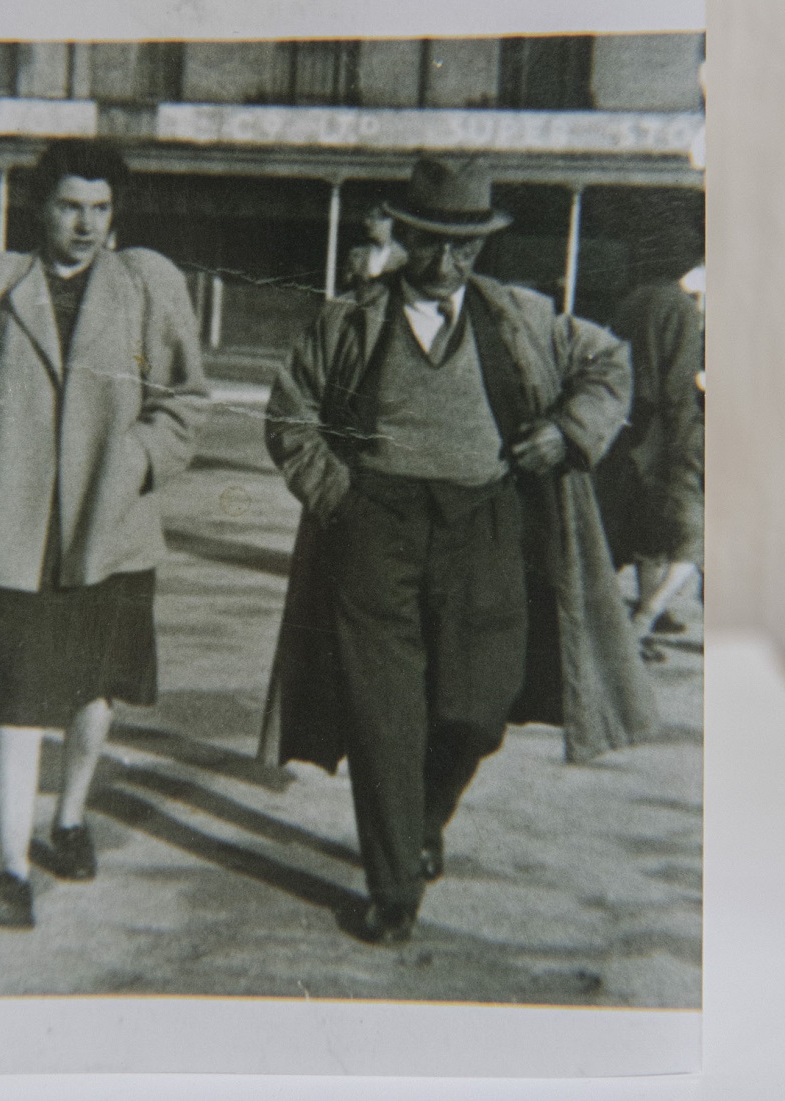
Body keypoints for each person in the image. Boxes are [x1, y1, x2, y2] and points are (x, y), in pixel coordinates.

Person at [262, 158, 653, 945]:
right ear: (403, 236)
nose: (446, 262)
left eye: (464, 246)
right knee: (383, 717)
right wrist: (341, 498)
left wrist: (567, 431)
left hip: (486, 528)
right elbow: (289, 417)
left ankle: (421, 821)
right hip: (376, 532)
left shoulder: (521, 316)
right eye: (432, 242)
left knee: (479, 706)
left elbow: (610, 363)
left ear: (482, 246)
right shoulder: (350, 321)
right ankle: (393, 890)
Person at [0, 139, 209, 928]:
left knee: (95, 687)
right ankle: (11, 871)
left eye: (100, 208)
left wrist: (138, 459)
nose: (85, 225)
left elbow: (186, 398)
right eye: (69, 206)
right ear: (40, 207)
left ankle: (71, 816)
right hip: (18, 527)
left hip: (111, 525)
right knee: (18, 693)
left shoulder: (147, 285)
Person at [595, 261, 705, 659]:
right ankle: (638, 624)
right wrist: (684, 439)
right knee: (687, 535)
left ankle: (641, 618)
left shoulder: (632, 300)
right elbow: (678, 383)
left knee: (638, 531)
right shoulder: (681, 307)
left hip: (628, 428)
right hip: (665, 434)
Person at [341, 203, 408, 289]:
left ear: (388, 222)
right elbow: (347, 285)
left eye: (372, 218)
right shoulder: (356, 253)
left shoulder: (401, 256)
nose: (366, 222)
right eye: (366, 218)